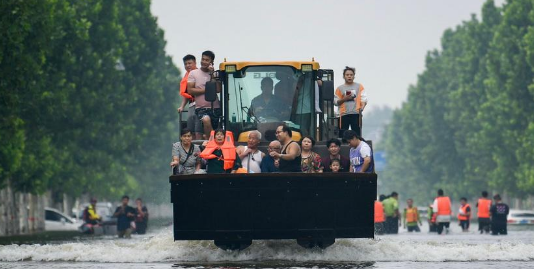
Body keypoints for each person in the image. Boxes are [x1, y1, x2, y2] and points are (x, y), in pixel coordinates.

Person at [188, 50, 221, 138]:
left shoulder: (215, 73)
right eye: (203, 59)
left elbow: (218, 89)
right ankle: (212, 142)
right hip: (201, 108)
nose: (204, 62)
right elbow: (190, 90)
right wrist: (208, 90)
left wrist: (212, 74)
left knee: (217, 129)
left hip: (216, 107)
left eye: (207, 60)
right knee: (206, 120)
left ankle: (212, 140)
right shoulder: (193, 73)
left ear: (211, 62)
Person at [334, 66, 368, 136]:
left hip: (356, 114)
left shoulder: (359, 86)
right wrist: (345, 98)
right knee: (343, 135)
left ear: (354, 76)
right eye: (347, 75)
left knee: (356, 134)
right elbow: (335, 102)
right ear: (344, 76)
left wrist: (362, 108)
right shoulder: (339, 88)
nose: (349, 76)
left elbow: (364, 99)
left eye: (351, 75)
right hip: (343, 114)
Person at [177, 54, 202, 140]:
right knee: (190, 130)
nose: (188, 65)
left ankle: (200, 150)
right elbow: (186, 94)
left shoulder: (200, 74)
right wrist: (182, 106)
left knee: (198, 130)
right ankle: (193, 150)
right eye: (186, 64)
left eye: (190, 63)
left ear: (195, 63)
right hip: (191, 105)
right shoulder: (186, 76)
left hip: (201, 104)